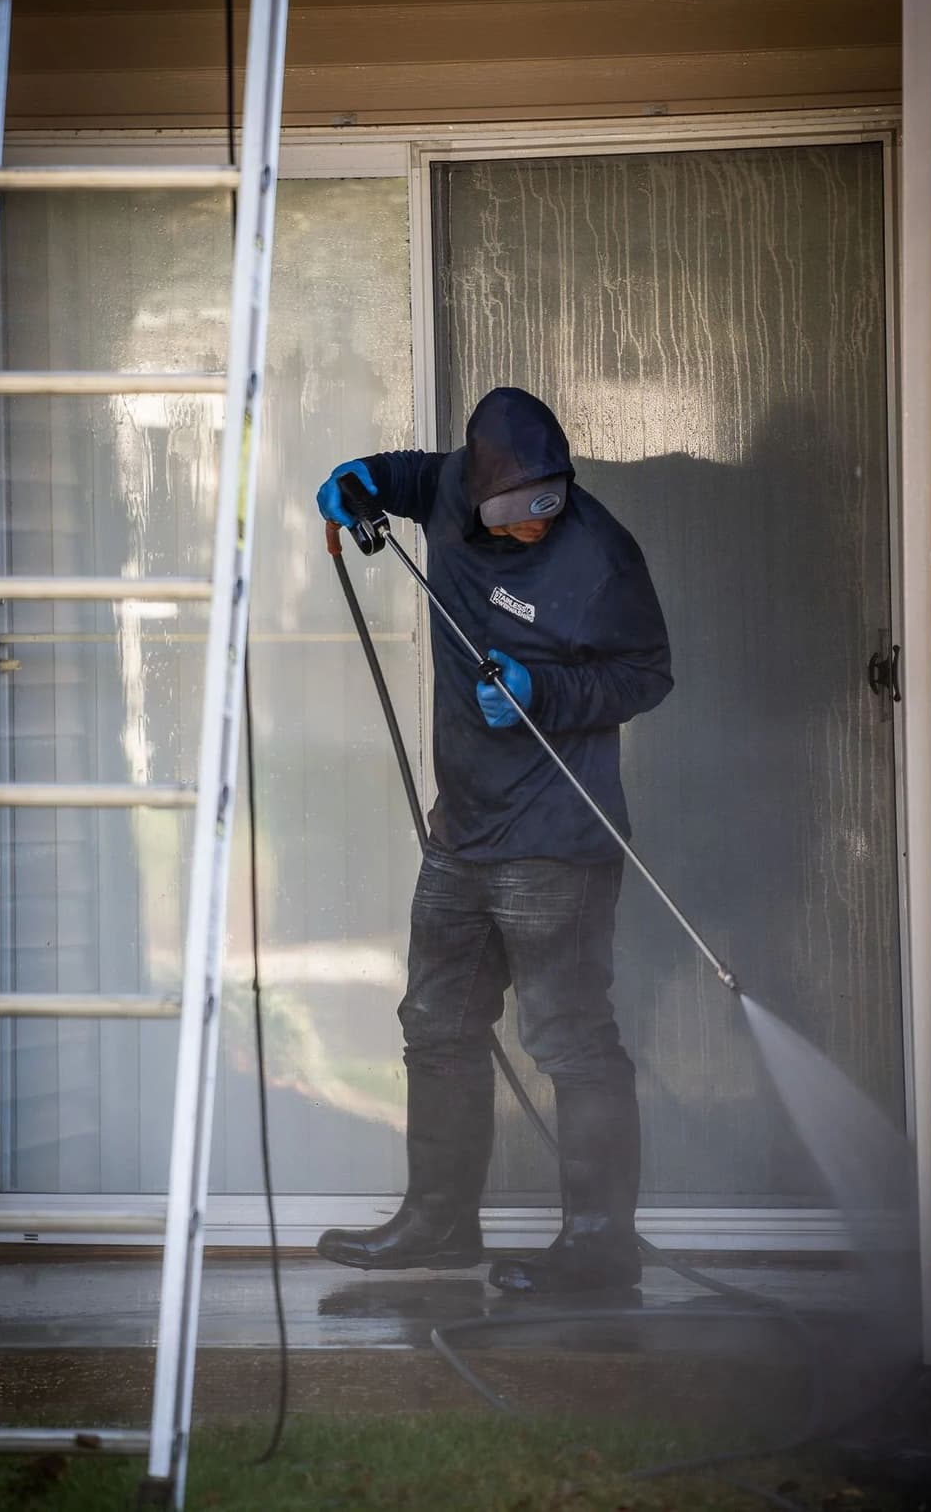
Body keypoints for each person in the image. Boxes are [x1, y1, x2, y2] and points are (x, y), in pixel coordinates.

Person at [314, 386, 672, 1293]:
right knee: (435, 1025)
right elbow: (403, 476)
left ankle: (599, 1247)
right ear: (477, 493)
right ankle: (439, 1226)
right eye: (516, 515)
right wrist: (357, 482)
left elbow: (647, 674)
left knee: (570, 1041)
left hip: (558, 840)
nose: (534, 528)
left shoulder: (600, 554)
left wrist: (543, 694)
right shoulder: (447, 491)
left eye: (549, 506)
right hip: (461, 834)